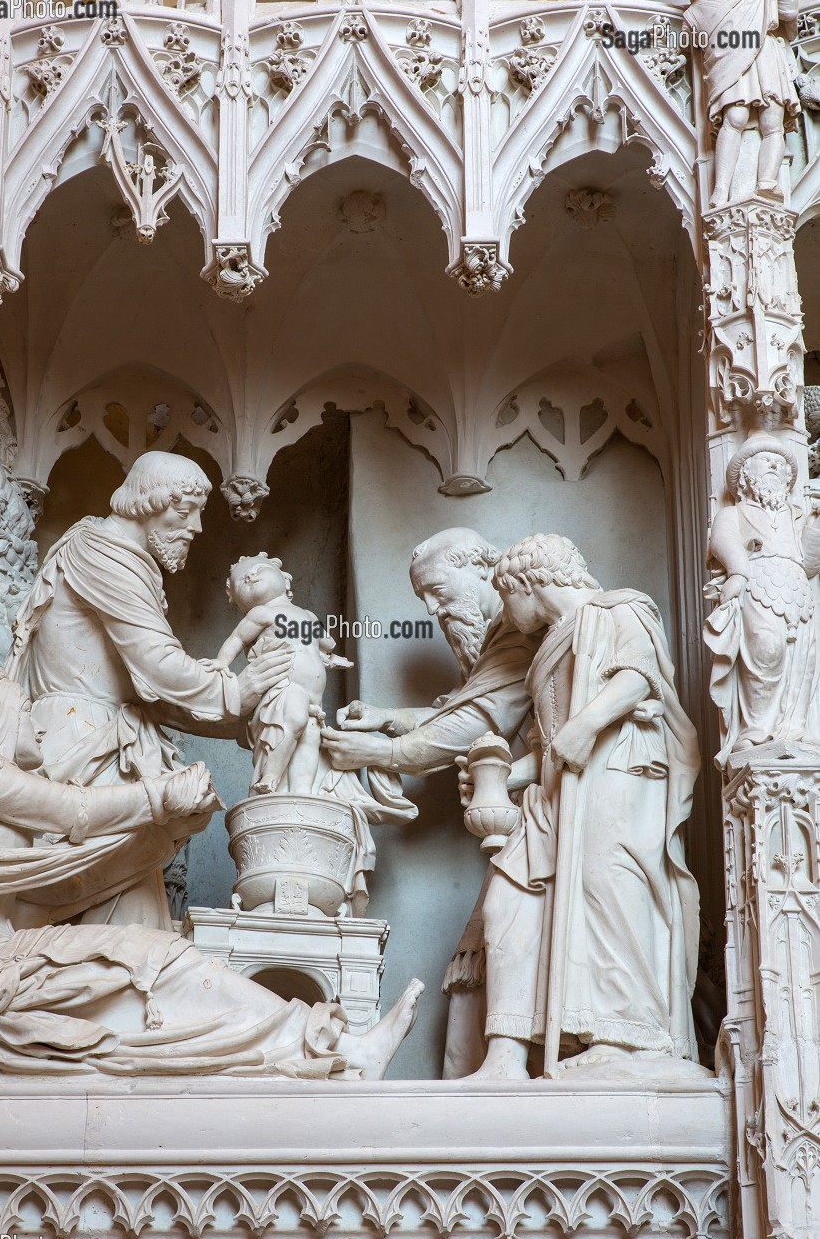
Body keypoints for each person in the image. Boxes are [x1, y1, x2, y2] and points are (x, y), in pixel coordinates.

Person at [0, 668, 423, 1078]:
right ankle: (327, 1048)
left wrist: (148, 840)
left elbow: (30, 895)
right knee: (163, 962)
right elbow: (79, 813)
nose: (35, 725)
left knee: (148, 963)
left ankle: (323, 1047)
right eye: (24, 712)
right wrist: (163, 795)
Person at [8, 451, 293, 928]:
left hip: (105, 747)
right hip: (82, 752)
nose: (197, 528)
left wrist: (246, 717)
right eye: (184, 512)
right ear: (148, 504)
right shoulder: (103, 554)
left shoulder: (118, 557)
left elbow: (148, 695)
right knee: (112, 931)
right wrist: (234, 692)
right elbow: (158, 668)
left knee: (134, 932)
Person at [469, 534, 700, 1079]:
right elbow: (552, 747)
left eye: (507, 600)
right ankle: (508, 1055)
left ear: (528, 584)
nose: (506, 615)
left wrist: (587, 724)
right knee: (506, 902)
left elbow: (638, 676)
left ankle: (625, 1034)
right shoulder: (552, 644)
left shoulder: (618, 608)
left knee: (608, 884)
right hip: (560, 788)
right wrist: (504, 776)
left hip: (618, 771)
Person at [321, 528, 539, 1076]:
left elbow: (472, 723)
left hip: (549, 815)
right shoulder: (496, 644)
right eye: (422, 596)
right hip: (528, 818)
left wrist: (380, 751)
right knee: (485, 951)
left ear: (483, 568)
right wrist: (386, 718)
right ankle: (482, 1085)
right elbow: (464, 710)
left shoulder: (518, 633)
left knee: (501, 932)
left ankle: (501, 1078)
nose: (431, 607)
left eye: (438, 589)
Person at [705, 435, 820, 765]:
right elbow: (722, 541)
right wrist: (739, 572)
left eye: (780, 464)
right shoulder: (734, 512)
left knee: (804, 659)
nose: (774, 465)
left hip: (796, 589)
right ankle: (757, 728)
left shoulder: (795, 516)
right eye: (765, 460)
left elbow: (809, 562)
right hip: (758, 584)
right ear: (745, 475)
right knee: (765, 649)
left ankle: (796, 726)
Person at [673, 0, 799, 205]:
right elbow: (685, 45)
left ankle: (767, 181)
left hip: (764, 55)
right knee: (735, 119)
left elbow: (788, 12)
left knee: (772, 121)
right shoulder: (692, 15)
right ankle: (721, 188)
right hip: (727, 67)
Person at [215, 554, 351, 795]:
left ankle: (302, 793)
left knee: (310, 740)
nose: (250, 576)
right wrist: (221, 664)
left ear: (285, 582)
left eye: (258, 570)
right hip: (285, 689)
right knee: (294, 719)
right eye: (241, 582)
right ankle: (270, 776)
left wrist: (330, 658)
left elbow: (324, 644)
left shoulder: (307, 616)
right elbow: (236, 640)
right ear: (239, 602)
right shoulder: (261, 615)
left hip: (314, 700)